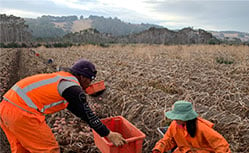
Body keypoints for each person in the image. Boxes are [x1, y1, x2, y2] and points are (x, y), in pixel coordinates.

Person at [0, 59, 127, 153]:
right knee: (49, 150)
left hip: (6, 107)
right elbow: (87, 114)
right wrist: (109, 134)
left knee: (23, 149)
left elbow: (77, 110)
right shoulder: (72, 88)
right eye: (90, 79)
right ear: (82, 77)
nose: (90, 83)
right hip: (22, 114)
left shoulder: (63, 79)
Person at [152, 100, 231, 153]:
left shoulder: (201, 128)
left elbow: (221, 145)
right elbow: (168, 140)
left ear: (187, 117)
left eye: (178, 117)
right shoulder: (174, 125)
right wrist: (158, 149)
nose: (175, 119)